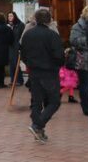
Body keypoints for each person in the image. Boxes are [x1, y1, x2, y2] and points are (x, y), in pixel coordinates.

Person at [20, 8, 64, 143]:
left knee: (36, 101)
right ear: (49, 20)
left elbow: (23, 54)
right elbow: (59, 56)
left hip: (33, 71)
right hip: (49, 72)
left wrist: (30, 64)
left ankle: (38, 129)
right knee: (54, 101)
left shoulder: (27, 35)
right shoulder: (52, 35)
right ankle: (38, 125)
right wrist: (58, 65)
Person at [70, 7, 88, 116]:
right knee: (85, 85)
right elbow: (73, 41)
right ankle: (86, 107)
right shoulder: (77, 26)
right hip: (83, 60)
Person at [8, 12, 25, 86]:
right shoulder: (8, 25)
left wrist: (21, 46)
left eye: (11, 16)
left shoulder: (20, 25)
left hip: (17, 47)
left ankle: (19, 80)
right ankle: (13, 80)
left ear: (15, 16)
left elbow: (23, 36)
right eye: (8, 16)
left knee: (16, 64)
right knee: (11, 64)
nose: (9, 17)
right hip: (10, 47)